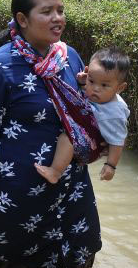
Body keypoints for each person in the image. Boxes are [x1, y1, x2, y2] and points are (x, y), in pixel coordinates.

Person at [0, 0, 102, 268]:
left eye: (60, 10)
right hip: (15, 190)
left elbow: (81, 110)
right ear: (22, 20)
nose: (57, 18)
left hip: (69, 184)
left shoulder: (68, 57)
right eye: (47, 11)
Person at [36, 47, 130, 183]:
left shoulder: (114, 113)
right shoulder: (101, 95)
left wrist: (111, 165)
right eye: (91, 81)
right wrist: (82, 82)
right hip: (88, 132)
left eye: (104, 85)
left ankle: (55, 172)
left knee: (67, 138)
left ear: (120, 88)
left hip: (92, 145)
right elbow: (88, 88)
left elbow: (118, 142)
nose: (95, 88)